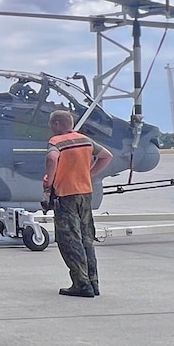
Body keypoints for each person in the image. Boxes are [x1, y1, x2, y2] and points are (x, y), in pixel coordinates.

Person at [43, 110, 112, 297]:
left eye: (52, 125)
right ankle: (93, 282)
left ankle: (81, 284)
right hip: (85, 193)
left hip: (66, 195)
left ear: (57, 124)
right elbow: (106, 156)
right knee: (86, 238)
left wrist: (49, 180)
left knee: (69, 240)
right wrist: (89, 173)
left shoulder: (56, 142)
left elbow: (51, 157)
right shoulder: (85, 140)